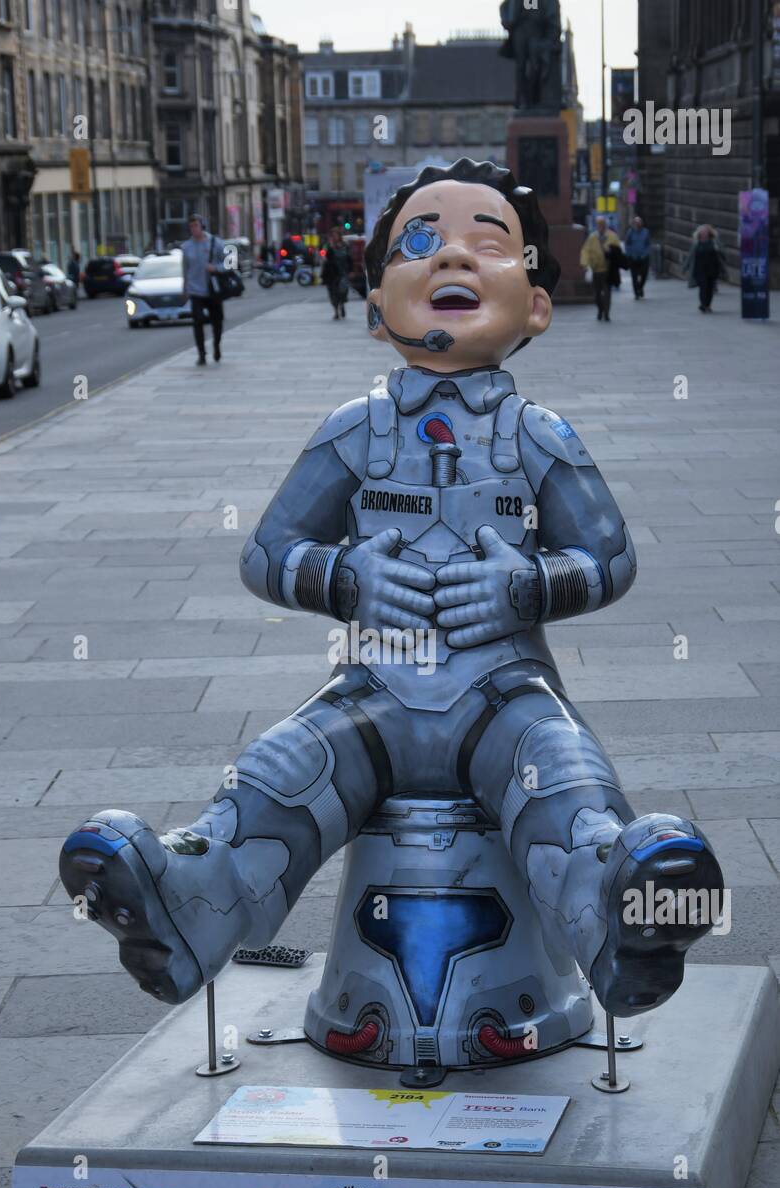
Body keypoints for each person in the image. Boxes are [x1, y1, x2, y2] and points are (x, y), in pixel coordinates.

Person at [60, 157, 723, 1037]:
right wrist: (346, 577)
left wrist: (527, 588)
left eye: (488, 244)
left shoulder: (538, 437)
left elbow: (608, 556)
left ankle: (616, 914)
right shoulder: (353, 431)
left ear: (533, 306)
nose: (451, 258)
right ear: (376, 306)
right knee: (281, 771)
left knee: (561, 779)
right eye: (419, 242)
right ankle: (189, 902)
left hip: (504, 698)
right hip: (373, 693)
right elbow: (267, 553)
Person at [181, 214, 226, 365]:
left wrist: (216, 268)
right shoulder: (186, 247)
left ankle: (217, 346)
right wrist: (185, 288)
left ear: (203, 226)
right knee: (197, 321)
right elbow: (185, 269)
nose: (194, 229)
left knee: (217, 322)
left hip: (213, 289)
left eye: (196, 226)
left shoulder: (216, 242)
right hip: (195, 291)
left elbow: (231, 263)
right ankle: (201, 354)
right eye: (191, 226)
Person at [580, 216, 621, 321]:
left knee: (607, 293)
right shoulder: (592, 237)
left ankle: (606, 313)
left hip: (608, 270)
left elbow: (618, 251)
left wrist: (611, 253)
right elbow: (586, 250)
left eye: (602, 224)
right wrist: (584, 263)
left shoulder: (612, 236)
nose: (600, 226)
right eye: (599, 224)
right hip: (596, 270)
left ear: (605, 225)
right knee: (597, 294)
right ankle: (600, 309)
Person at [684, 224, 726, 313]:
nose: (703, 234)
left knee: (710, 288)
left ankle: (708, 304)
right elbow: (690, 256)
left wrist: (718, 250)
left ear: (709, 233)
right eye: (702, 232)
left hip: (712, 268)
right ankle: (703, 304)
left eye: (705, 232)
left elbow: (723, 254)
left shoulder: (714, 242)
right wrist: (685, 267)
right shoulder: (696, 243)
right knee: (703, 286)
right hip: (699, 269)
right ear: (699, 233)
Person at [322, 229, 352, 319]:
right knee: (332, 292)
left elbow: (349, 259)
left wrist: (351, 270)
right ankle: (336, 311)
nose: (334, 237)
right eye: (333, 235)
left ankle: (342, 305)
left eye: (336, 235)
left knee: (343, 291)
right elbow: (327, 258)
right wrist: (330, 247)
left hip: (343, 272)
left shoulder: (345, 246)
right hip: (332, 273)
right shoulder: (328, 246)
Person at [624, 216, 651, 299]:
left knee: (644, 274)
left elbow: (648, 244)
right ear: (634, 224)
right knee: (634, 276)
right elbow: (627, 244)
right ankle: (636, 293)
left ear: (642, 223)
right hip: (633, 258)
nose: (638, 224)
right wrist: (629, 254)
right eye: (636, 222)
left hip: (643, 257)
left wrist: (646, 253)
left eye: (639, 222)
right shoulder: (630, 232)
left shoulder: (646, 232)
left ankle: (640, 287)